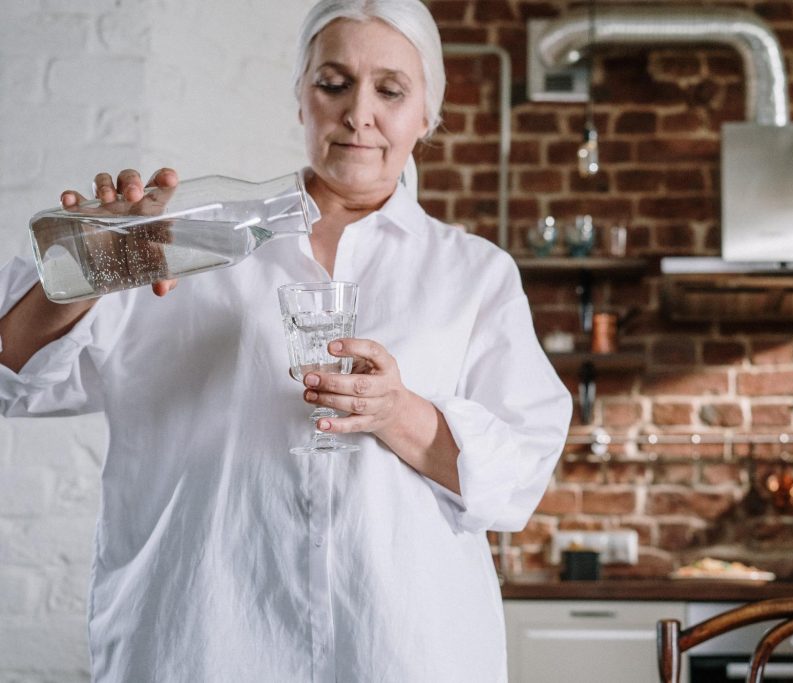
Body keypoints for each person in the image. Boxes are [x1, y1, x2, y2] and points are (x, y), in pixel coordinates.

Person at [0, 1, 572, 681]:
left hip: (401, 653)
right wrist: (94, 266)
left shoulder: (472, 275)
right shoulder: (177, 240)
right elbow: (15, 376)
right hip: (199, 645)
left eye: (390, 90)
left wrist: (396, 411)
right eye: (333, 83)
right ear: (301, 99)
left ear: (427, 114)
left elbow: (515, 482)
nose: (360, 112)